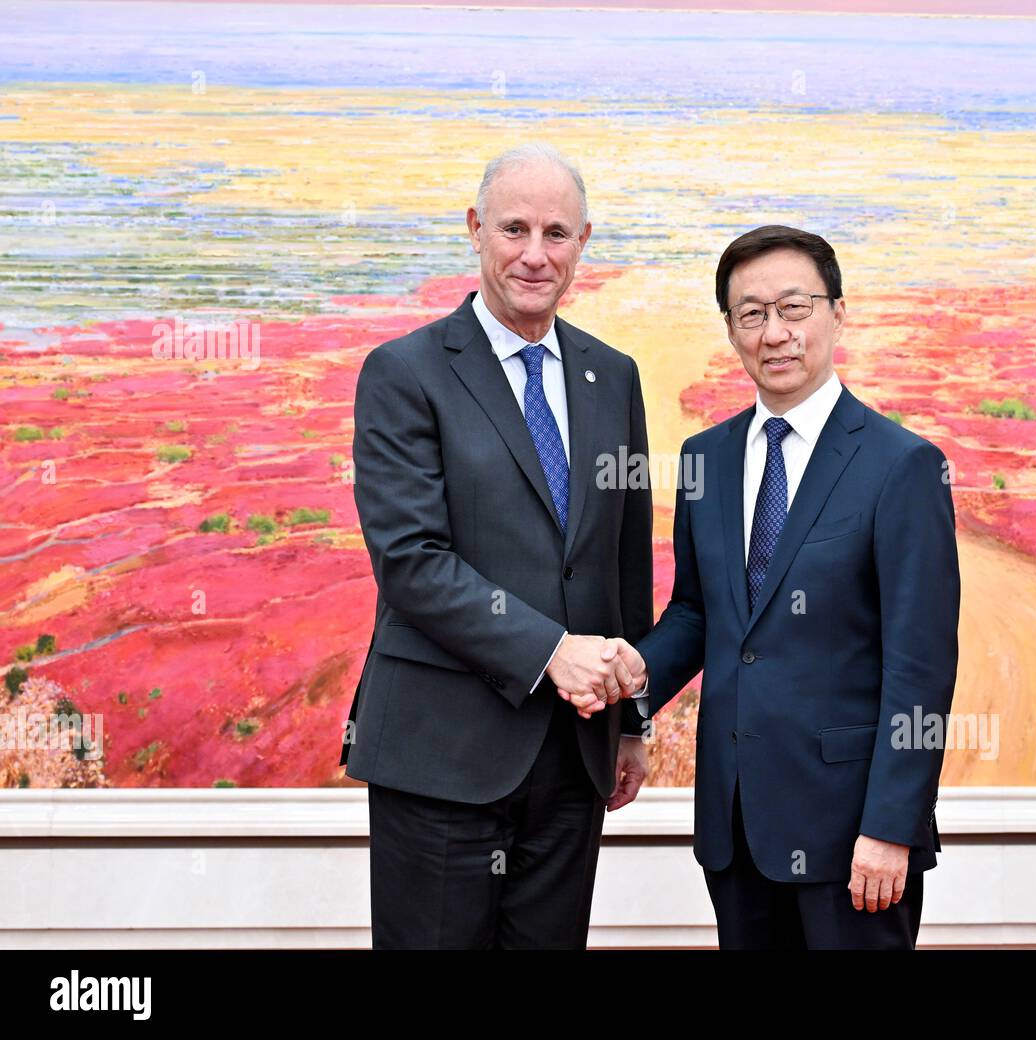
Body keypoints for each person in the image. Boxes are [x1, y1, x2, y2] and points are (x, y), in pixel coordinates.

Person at [574, 225, 961, 949]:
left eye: (794, 307)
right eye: (752, 313)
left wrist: (890, 827)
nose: (775, 332)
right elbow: (700, 613)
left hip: (854, 837)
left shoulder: (901, 466)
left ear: (837, 314)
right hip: (737, 824)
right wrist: (633, 677)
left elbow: (923, 668)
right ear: (730, 328)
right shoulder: (706, 459)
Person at [340, 143, 653, 949]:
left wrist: (630, 722)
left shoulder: (611, 376)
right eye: (515, 228)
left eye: (558, 232)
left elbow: (620, 560)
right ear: (476, 230)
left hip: (573, 758)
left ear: (584, 244)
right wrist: (552, 651)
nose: (535, 253)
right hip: (443, 753)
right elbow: (412, 562)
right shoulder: (404, 372)